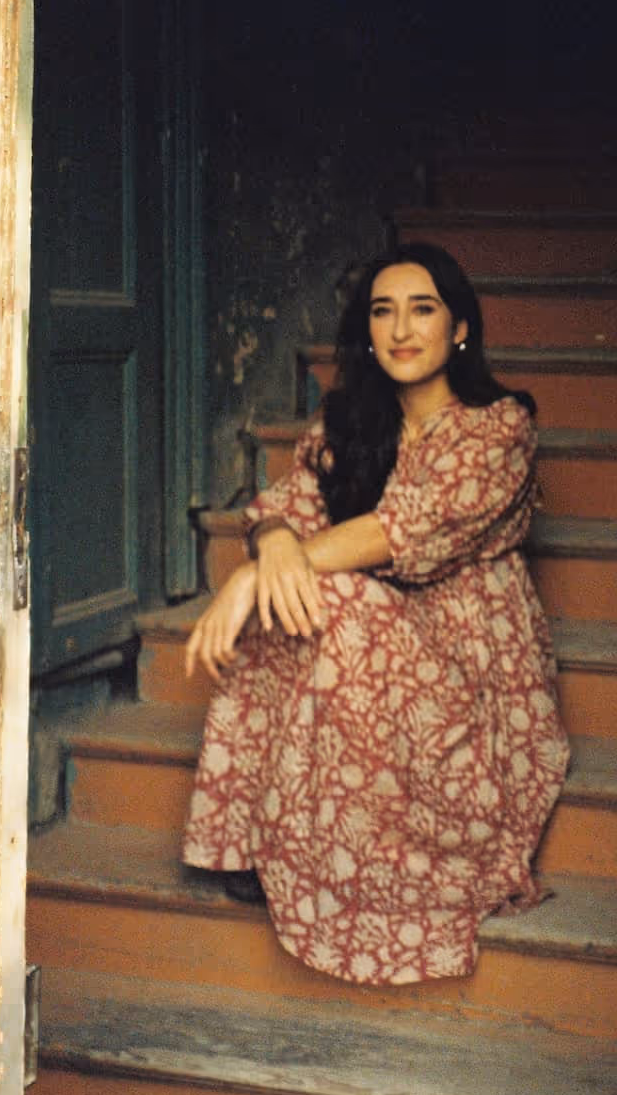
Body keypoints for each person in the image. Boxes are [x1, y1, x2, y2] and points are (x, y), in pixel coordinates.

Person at [181, 242, 569, 985]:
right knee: (306, 593)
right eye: (382, 312)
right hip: (377, 629)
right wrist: (270, 546)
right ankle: (262, 839)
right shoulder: (348, 423)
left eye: (422, 309)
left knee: (321, 592)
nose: (400, 329)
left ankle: (387, 849)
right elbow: (281, 510)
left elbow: (408, 528)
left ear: (459, 328)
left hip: (471, 656)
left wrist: (256, 575)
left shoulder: (499, 426)